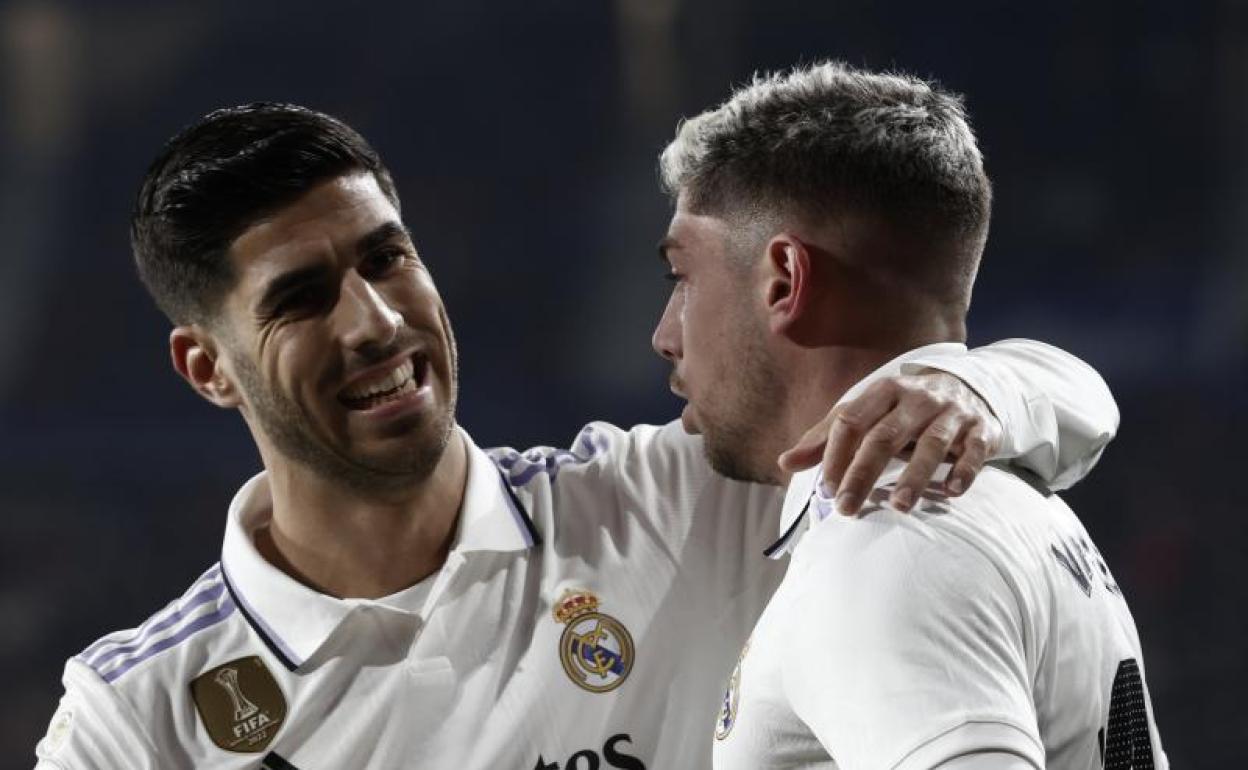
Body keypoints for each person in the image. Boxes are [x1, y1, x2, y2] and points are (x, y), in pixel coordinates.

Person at [34, 103, 1119, 769]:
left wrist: (971, 382)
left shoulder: (673, 497)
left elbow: (1067, 400)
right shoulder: (138, 722)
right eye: (301, 298)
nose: (375, 322)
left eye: (386, 258)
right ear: (208, 367)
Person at [650, 61, 1167, 768]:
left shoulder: (888, 537)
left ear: (784, 281)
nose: (664, 334)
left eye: (681, 276)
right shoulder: (1008, 496)